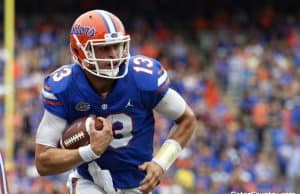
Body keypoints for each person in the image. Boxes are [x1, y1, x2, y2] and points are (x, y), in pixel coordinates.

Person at [35, 9, 196, 194]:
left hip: (138, 184)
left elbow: (187, 119)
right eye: (103, 47)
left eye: (116, 45)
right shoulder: (65, 87)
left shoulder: (142, 78)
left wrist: (161, 163)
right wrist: (91, 151)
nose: (113, 54)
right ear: (80, 50)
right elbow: (43, 161)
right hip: (90, 181)